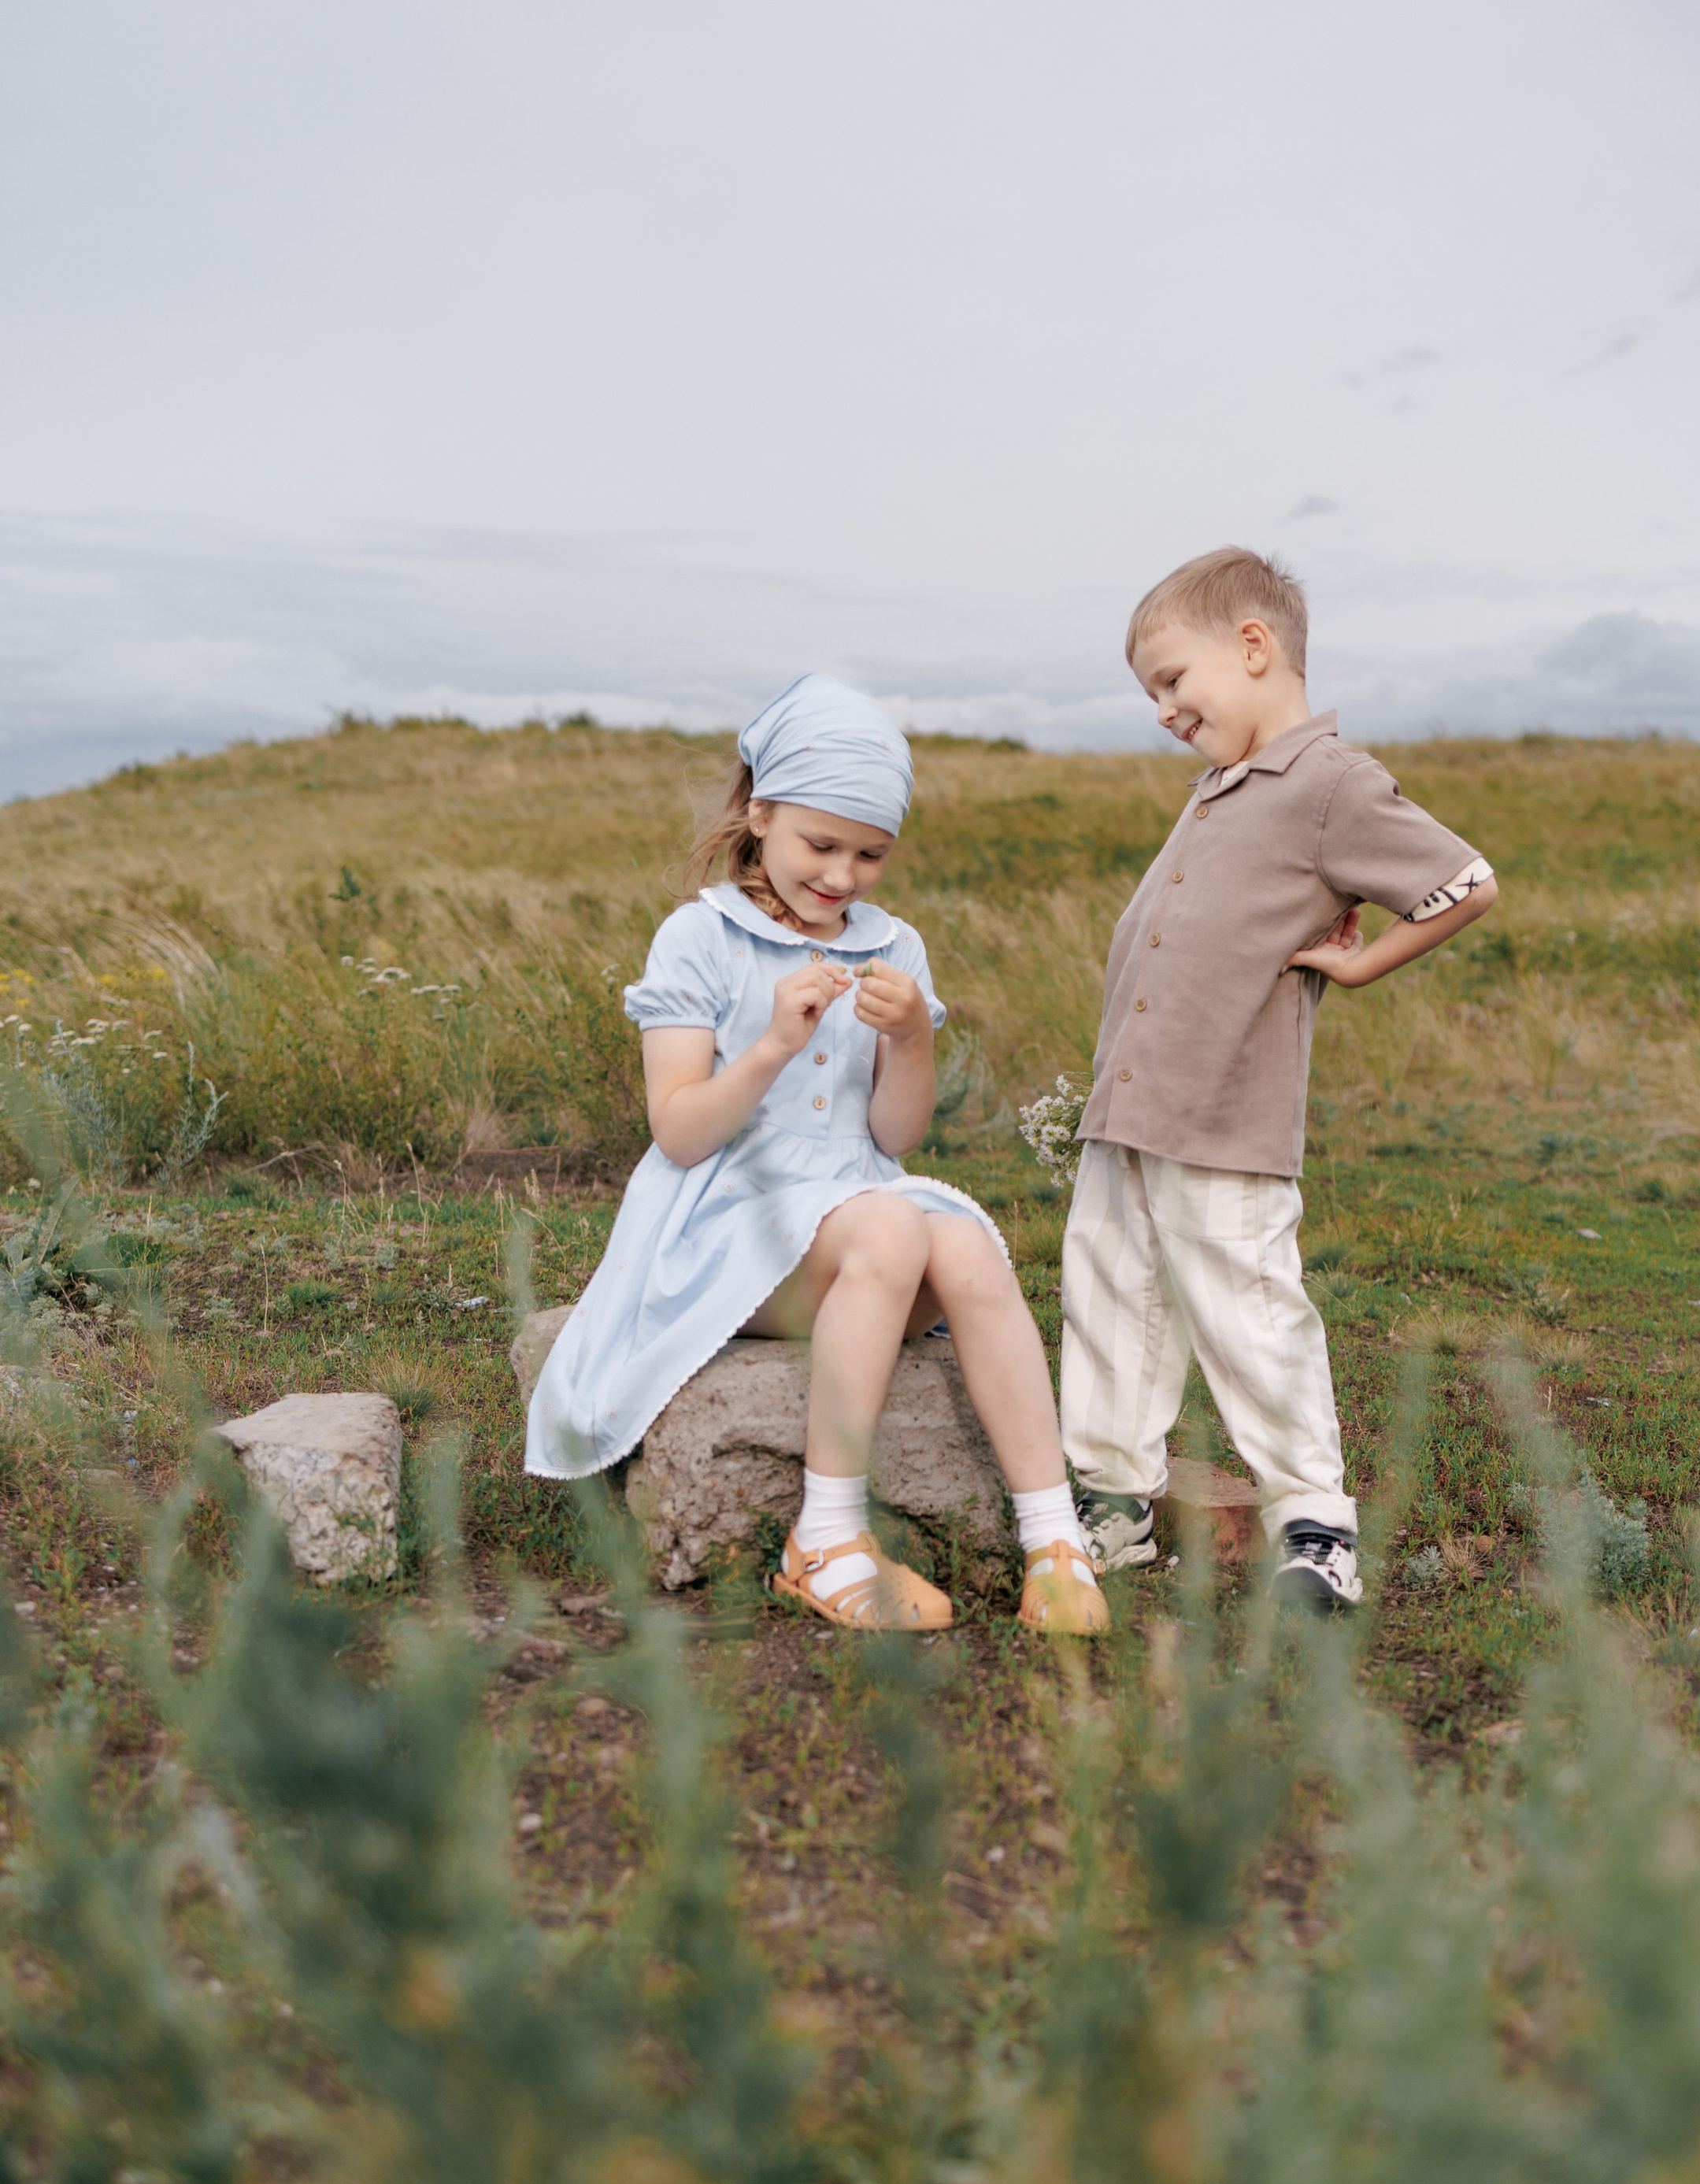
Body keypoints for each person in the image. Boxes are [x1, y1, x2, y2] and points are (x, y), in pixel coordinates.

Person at [527, 674, 1105, 1638]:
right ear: (759, 814)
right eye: (820, 844)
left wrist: (915, 1039)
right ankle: (826, 1539)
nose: (842, 875)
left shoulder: (894, 946)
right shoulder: (700, 938)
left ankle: (1053, 1541)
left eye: (870, 853)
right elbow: (678, 1130)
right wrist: (769, 1048)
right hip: (720, 1236)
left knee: (963, 1242)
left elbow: (894, 1139)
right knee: (890, 1222)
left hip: (848, 1231)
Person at [1061, 549, 1497, 1618]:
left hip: (1227, 1107)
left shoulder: (1330, 783)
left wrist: (1360, 960)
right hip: (1136, 1104)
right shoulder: (1223, 785)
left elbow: (1465, 881)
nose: (1163, 709)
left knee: (1248, 1305)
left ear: (1253, 648)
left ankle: (1316, 1528)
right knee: (1114, 1292)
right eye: (1152, 693)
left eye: (1173, 681)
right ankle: (1115, 1508)